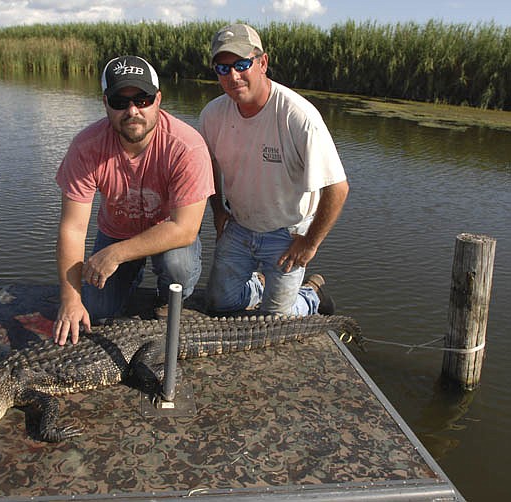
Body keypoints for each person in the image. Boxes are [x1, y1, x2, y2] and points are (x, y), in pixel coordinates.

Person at [53, 55, 214, 345]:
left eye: (142, 99)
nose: (132, 111)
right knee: (97, 311)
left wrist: (115, 255)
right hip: (115, 232)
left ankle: (167, 299)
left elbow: (185, 228)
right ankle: (127, 278)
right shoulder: (85, 147)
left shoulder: (187, 146)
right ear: (105, 103)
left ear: (158, 99)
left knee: (178, 265)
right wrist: (70, 299)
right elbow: (73, 229)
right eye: (119, 101)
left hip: (169, 235)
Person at [199, 24, 349, 316]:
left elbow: (338, 188)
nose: (233, 76)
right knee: (218, 305)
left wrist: (310, 242)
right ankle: (259, 285)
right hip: (239, 226)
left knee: (273, 321)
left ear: (262, 62)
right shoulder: (212, 114)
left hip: (288, 233)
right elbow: (209, 167)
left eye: (242, 64)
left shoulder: (298, 116)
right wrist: (218, 210)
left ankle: (311, 297)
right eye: (223, 68)